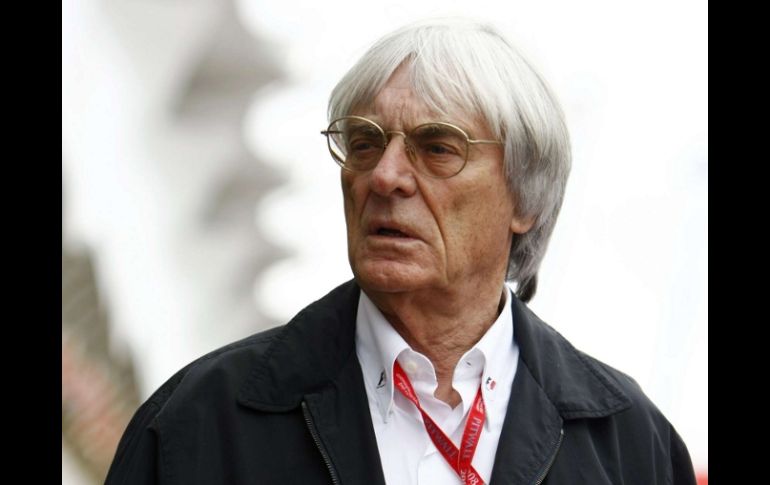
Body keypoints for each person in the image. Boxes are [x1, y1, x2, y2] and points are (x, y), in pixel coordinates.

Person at [105, 19, 697, 485]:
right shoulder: (202, 421)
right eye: (364, 143)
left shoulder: (630, 444)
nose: (385, 176)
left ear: (526, 197)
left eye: (437, 148)